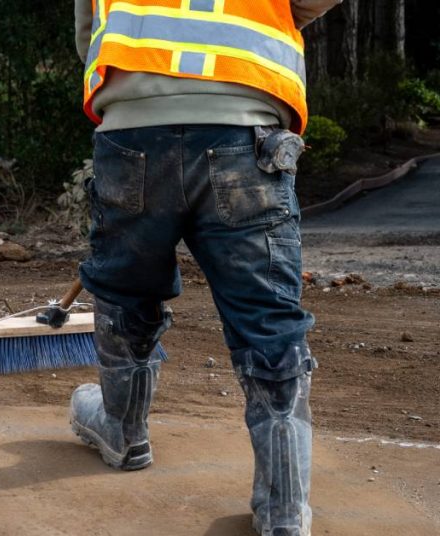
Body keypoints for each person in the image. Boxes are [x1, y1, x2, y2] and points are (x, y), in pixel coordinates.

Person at [69, 2, 341, 535]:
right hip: (245, 134)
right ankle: (283, 510)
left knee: (125, 294)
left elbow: (90, 33)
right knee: (267, 317)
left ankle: (123, 431)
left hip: (133, 129)